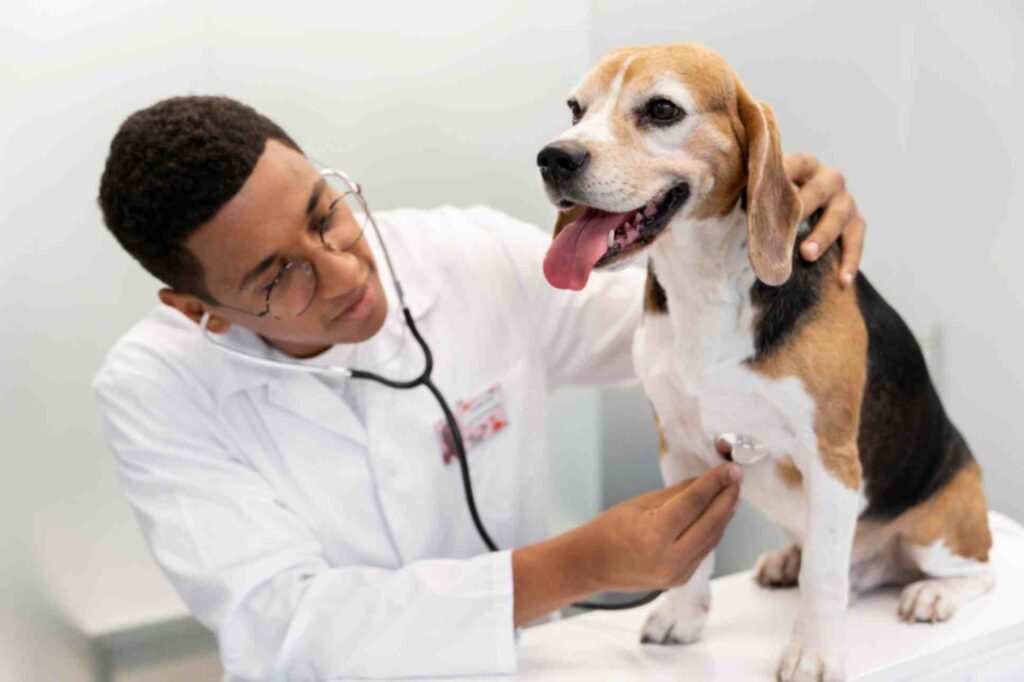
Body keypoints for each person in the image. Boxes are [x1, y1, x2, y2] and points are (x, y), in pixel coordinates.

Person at [93, 96, 866, 680]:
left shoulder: (462, 252)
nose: (343, 272)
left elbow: (671, 333)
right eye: (275, 276)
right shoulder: (157, 387)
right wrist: (578, 567)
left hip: (534, 661)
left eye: (325, 212)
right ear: (197, 308)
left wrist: (766, 217)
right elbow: (280, 625)